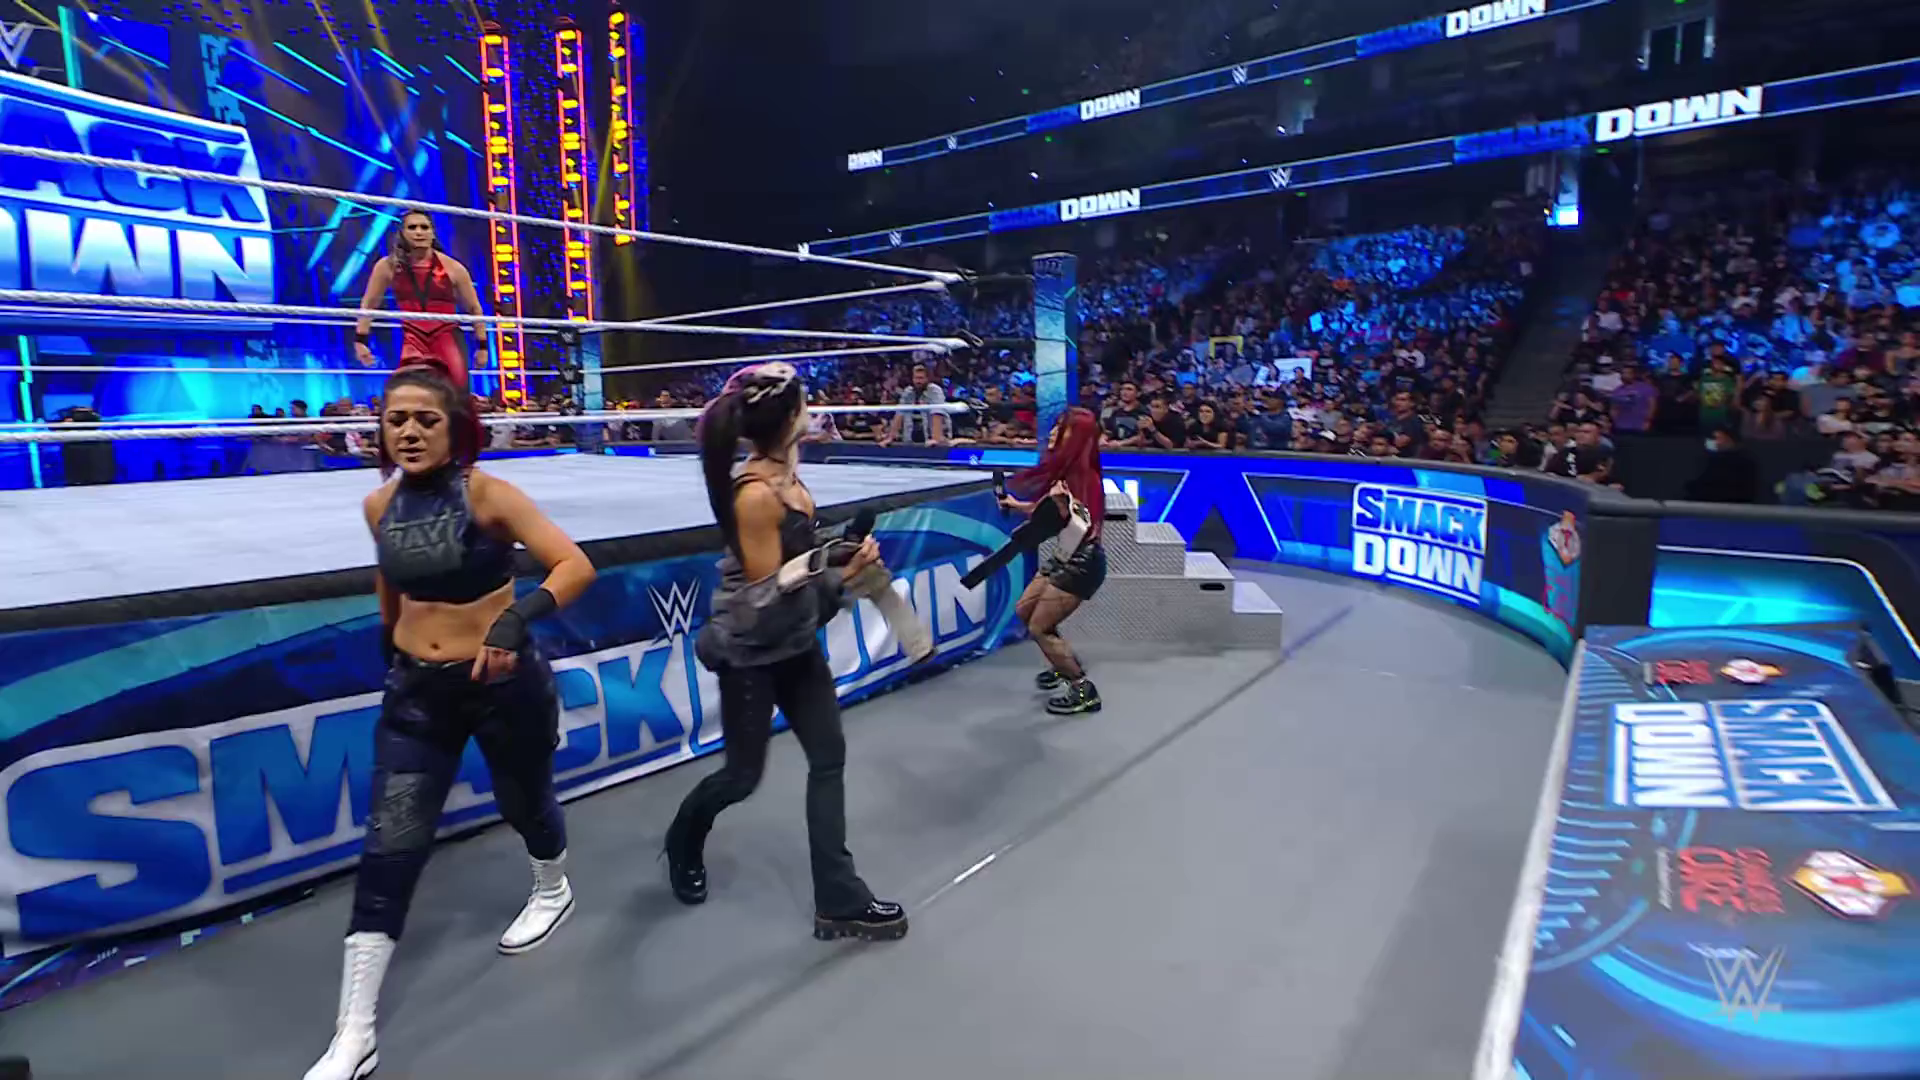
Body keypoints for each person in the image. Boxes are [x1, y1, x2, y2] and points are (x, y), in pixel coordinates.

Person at [304, 367, 597, 1080]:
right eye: (396, 419)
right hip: (417, 695)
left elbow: (572, 564)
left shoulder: (489, 494)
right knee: (391, 842)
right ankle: (355, 1033)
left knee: (524, 801)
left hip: (502, 685)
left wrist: (515, 619)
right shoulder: (378, 505)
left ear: (454, 428)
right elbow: (390, 579)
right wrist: (390, 644)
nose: (408, 431)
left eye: (425, 420)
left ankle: (553, 888)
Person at [663, 362, 909, 943]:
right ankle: (683, 837)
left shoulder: (791, 480)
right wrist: (840, 578)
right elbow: (762, 600)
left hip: (796, 644)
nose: (812, 407)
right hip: (753, 654)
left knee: (828, 756)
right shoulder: (755, 495)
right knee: (742, 777)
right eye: (804, 401)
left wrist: (840, 552)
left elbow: (798, 560)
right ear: (789, 418)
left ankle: (839, 900)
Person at [999, 406, 1106, 716]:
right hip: (1064, 556)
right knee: (1025, 611)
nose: (1055, 432)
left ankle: (1083, 690)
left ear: (1077, 436)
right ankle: (1062, 662)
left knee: (1039, 627)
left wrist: (1061, 508)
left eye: (1063, 428)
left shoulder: (1084, 478)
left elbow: (1083, 525)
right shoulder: (1066, 473)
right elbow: (1046, 508)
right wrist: (1017, 505)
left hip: (1081, 562)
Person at [355, 210, 488, 385]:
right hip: (411, 337)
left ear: (433, 233)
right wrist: (361, 340)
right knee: (411, 391)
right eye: (412, 227)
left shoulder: (453, 267)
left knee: (455, 392)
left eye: (424, 227)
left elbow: (474, 308)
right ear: (402, 233)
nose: (419, 232)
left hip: (447, 336)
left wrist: (482, 346)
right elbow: (369, 303)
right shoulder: (387, 266)